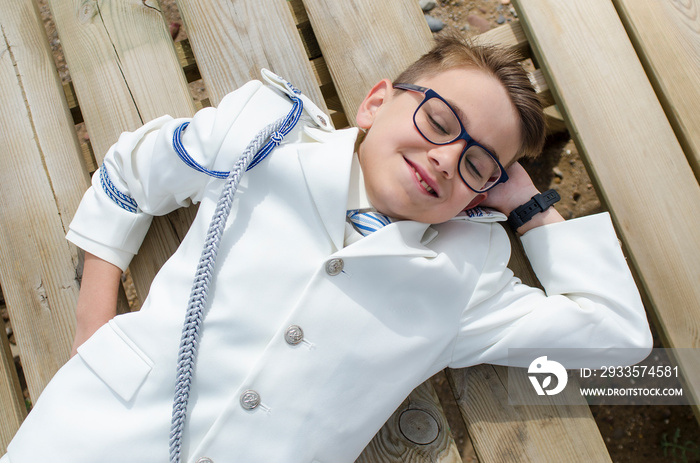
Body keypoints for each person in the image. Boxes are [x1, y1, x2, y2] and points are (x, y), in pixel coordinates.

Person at [2, 35, 652, 463]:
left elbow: (616, 333)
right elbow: (130, 173)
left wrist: (530, 207)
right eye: (439, 120)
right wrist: (95, 322)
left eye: (481, 163)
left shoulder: (463, 282)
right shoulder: (265, 136)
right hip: (95, 434)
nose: (448, 157)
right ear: (375, 102)